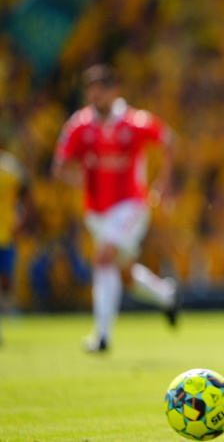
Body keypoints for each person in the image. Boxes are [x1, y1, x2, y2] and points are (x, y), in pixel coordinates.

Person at [52, 63, 181, 352]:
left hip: (130, 205)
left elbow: (169, 141)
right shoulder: (79, 124)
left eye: (101, 90)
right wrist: (76, 177)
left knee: (103, 258)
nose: (95, 96)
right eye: (91, 91)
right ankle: (167, 296)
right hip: (96, 211)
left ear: (114, 90)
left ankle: (102, 337)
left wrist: (165, 183)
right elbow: (59, 166)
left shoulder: (135, 122)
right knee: (123, 272)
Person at [0, 143, 33, 344]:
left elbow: (26, 195)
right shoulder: (12, 167)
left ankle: (7, 311)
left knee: (5, 279)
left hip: (6, 232)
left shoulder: (12, 168)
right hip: (7, 232)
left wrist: (22, 220)